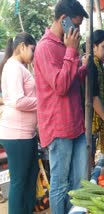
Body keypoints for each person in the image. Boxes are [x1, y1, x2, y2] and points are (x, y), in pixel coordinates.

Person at [33, 1, 89, 213]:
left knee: (79, 181)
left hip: (76, 124)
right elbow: (61, 85)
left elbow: (71, 81)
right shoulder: (45, 48)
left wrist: (82, 67)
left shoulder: (65, 47)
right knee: (60, 184)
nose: (78, 31)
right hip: (59, 127)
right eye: (76, 25)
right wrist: (71, 52)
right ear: (63, 19)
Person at [0, 33, 38, 214]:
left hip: (25, 134)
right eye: (32, 50)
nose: (34, 54)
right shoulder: (14, 67)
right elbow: (18, 101)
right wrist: (43, 102)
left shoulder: (20, 66)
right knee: (19, 181)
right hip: (16, 135)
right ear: (22, 46)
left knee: (30, 176)